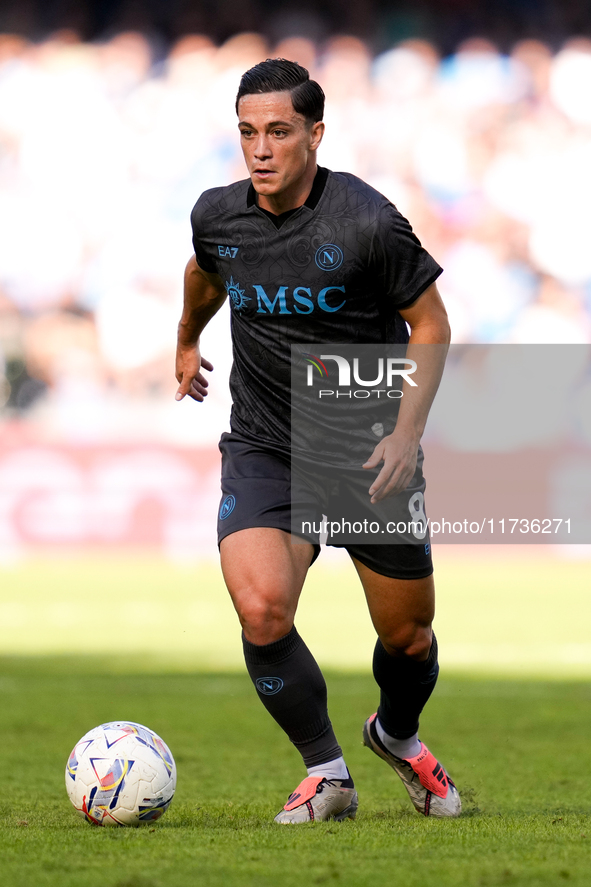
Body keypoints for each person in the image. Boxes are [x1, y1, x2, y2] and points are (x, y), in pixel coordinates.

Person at [175, 58, 460, 823]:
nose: (259, 149)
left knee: (406, 636)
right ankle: (326, 772)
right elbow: (206, 272)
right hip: (266, 440)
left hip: (365, 444)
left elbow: (429, 324)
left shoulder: (366, 221)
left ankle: (396, 734)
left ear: (314, 133)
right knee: (262, 609)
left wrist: (405, 433)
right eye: (246, 133)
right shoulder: (217, 214)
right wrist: (184, 339)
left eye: (277, 131)